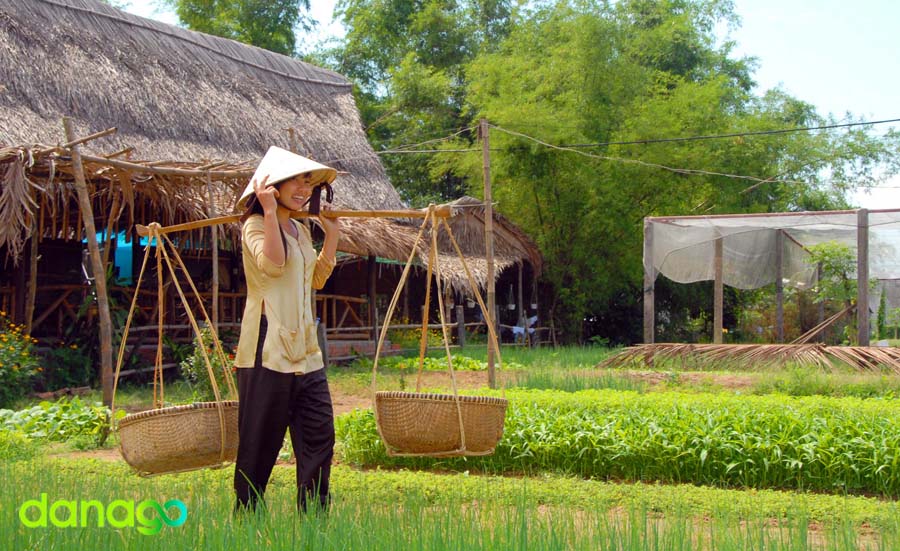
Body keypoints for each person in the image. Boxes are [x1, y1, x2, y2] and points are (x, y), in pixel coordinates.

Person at [232, 146, 341, 514]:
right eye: (295, 181)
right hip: (267, 347)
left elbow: (316, 280)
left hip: (306, 351)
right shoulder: (254, 226)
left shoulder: (301, 231)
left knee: (319, 434)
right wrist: (268, 212)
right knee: (260, 442)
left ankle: (313, 518)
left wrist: (331, 236)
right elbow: (274, 266)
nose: (303, 189)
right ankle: (247, 517)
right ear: (271, 185)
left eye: (308, 182)